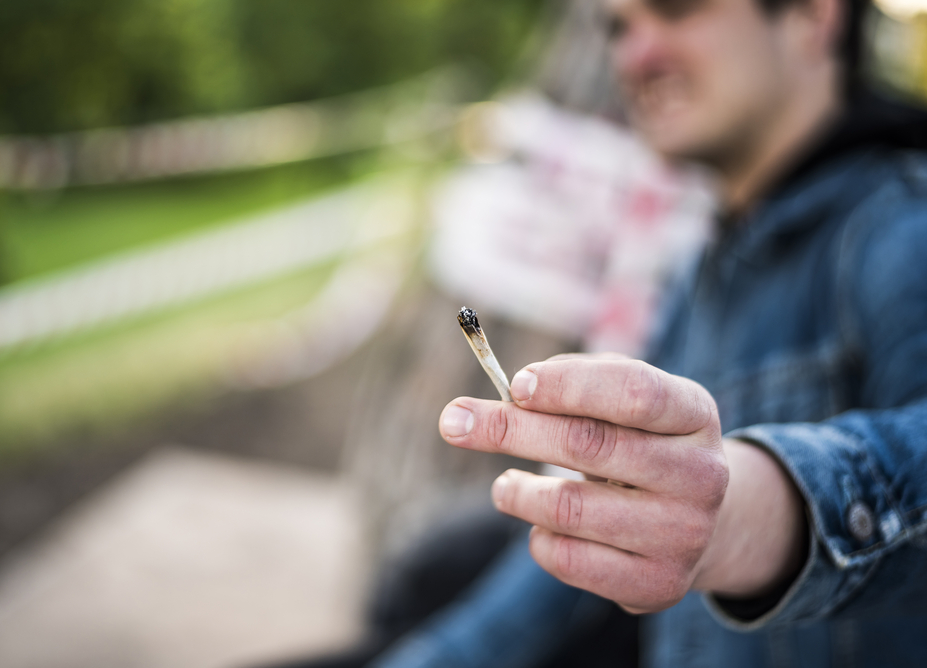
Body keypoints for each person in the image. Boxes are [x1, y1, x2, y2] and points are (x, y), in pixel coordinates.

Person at [363, 0, 927, 663]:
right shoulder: (704, 273)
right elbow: (552, 587)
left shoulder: (902, 235)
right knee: (437, 570)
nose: (635, 55)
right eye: (619, 27)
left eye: (675, 10)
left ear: (812, 16)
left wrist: (761, 510)